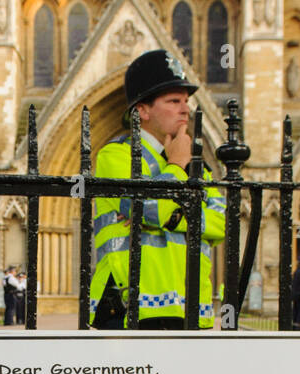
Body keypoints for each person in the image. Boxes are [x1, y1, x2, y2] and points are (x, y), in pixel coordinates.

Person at [89, 49, 226, 329]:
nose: (185, 109)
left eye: (186, 101)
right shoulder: (114, 156)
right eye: (173, 100)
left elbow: (222, 224)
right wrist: (176, 165)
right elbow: (151, 210)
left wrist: (169, 218)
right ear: (142, 110)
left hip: (189, 307)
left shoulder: (200, 169)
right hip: (130, 306)